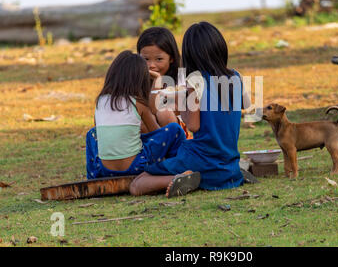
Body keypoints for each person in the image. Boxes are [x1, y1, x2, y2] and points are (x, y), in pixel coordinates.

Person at [130, 22, 250, 197]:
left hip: (202, 157)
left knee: (137, 184)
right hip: (228, 161)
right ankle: (227, 176)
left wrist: (184, 105)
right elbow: (244, 105)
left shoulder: (195, 80)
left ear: (189, 54)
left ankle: (183, 177)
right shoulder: (235, 76)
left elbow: (193, 126)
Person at [85, 51, 199, 195]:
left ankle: (92, 178)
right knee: (173, 130)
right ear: (140, 79)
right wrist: (157, 80)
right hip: (136, 166)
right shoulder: (138, 102)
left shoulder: (100, 101)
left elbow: (101, 134)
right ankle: (178, 167)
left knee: (92, 134)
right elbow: (156, 133)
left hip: (104, 170)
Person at [137, 27, 191, 138]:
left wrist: (157, 81)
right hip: (150, 131)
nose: (151, 65)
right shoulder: (137, 79)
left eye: (159, 59)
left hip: (177, 130)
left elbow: (160, 109)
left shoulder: (180, 76)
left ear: (171, 58)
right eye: (146, 59)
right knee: (142, 123)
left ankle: (177, 150)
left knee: (164, 113)